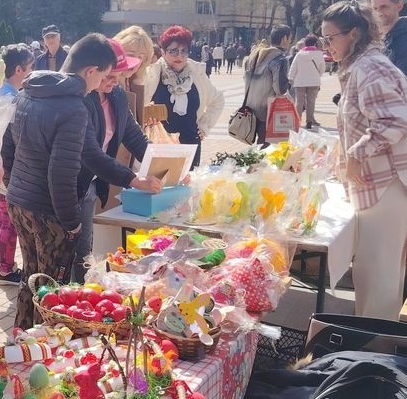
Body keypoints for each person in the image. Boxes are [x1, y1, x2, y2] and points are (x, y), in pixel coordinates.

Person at [2, 33, 116, 329]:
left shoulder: (29, 91)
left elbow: (8, 147)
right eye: (103, 76)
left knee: (32, 276)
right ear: (90, 71)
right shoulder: (73, 108)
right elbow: (61, 175)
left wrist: (15, 185)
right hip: (47, 211)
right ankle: (42, 353)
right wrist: (72, 223)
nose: (101, 84)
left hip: (19, 202)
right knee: (51, 291)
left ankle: (21, 341)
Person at [322, 0, 407, 320]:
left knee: (379, 279)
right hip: (379, 185)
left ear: (354, 34)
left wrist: (356, 154)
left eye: (330, 38)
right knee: (374, 276)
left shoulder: (369, 67)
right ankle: (370, 353)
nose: (327, 46)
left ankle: (375, 359)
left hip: (386, 186)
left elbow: (396, 120)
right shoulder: (363, 66)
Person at [72, 39, 162, 282]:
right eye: (110, 76)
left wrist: (163, 165)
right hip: (69, 182)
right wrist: (133, 179)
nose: (114, 82)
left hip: (89, 183)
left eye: (119, 76)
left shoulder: (117, 95)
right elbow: (89, 153)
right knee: (72, 252)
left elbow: (133, 135)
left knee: (83, 250)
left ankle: (77, 298)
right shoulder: (81, 98)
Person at [0, 43, 34, 286]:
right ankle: (6, 269)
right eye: (31, 67)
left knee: (1, 214)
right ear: (20, 69)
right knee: (10, 219)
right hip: (5, 167)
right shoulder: (13, 98)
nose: (32, 72)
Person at [143, 26, 225, 167]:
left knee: (188, 187)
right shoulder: (152, 74)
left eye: (184, 51)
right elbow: (138, 108)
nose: (179, 56)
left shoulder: (196, 73)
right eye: (173, 51)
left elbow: (217, 100)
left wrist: (204, 125)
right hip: (159, 146)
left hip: (190, 144)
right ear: (162, 52)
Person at [244, 25, 292, 145]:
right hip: (267, 111)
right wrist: (289, 84)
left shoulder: (255, 55)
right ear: (285, 38)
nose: (291, 41)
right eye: (290, 38)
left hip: (250, 109)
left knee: (259, 147)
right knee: (267, 148)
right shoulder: (279, 59)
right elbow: (280, 89)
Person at [288, 34, 325, 129]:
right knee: (311, 102)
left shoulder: (299, 54)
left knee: (299, 102)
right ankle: (309, 122)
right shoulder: (319, 54)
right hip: (314, 81)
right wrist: (317, 75)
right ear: (315, 43)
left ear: (305, 43)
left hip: (300, 82)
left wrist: (291, 78)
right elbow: (322, 69)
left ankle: (297, 121)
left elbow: (293, 68)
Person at [371, 0, 407, 76]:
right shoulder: (372, 38)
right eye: (375, 8)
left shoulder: (404, 37)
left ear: (399, 6)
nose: (378, 12)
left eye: (384, 7)